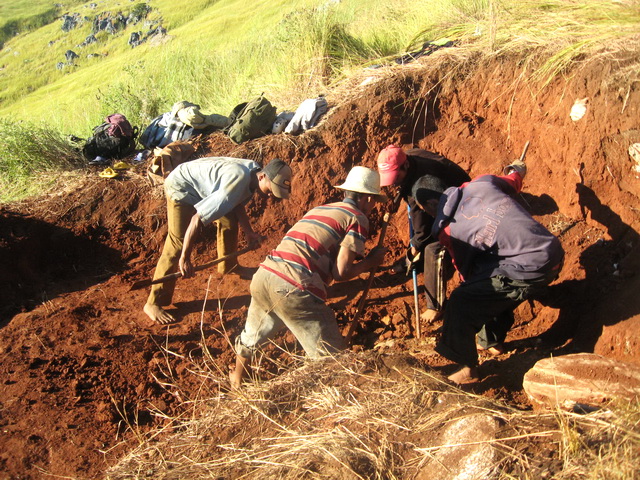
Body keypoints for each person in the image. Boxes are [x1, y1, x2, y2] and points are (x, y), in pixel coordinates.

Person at [230, 166, 388, 388]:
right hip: (294, 286)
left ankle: (237, 379)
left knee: (252, 336)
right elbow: (341, 273)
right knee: (332, 360)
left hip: (265, 274)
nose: (373, 208)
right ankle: (332, 399)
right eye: (374, 203)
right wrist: (370, 262)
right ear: (369, 199)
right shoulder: (357, 217)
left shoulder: (320, 209)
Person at [411, 159, 564, 384]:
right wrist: (517, 170)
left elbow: (466, 270)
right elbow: (513, 181)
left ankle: (466, 368)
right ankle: (491, 342)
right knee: (490, 283)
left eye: (425, 209)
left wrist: (469, 294)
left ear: (432, 203)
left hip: (531, 267)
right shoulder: (482, 183)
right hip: (553, 251)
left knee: (463, 300)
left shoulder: (448, 229)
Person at [143, 157, 293, 325]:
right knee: (177, 243)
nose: (272, 194)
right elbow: (196, 219)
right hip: (181, 186)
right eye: (272, 189)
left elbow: (235, 203)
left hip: (201, 184)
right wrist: (185, 258)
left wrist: (249, 232)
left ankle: (228, 266)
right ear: (262, 177)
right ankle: (153, 302)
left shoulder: (253, 173)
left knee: (228, 221)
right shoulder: (238, 181)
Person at [377, 144, 470, 322]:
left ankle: (435, 305)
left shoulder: (423, 188)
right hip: (445, 195)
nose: (394, 181)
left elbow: (423, 229)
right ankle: (416, 263)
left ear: (405, 166)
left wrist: (416, 246)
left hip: (463, 209)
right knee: (422, 243)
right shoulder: (408, 156)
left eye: (396, 177)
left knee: (433, 249)